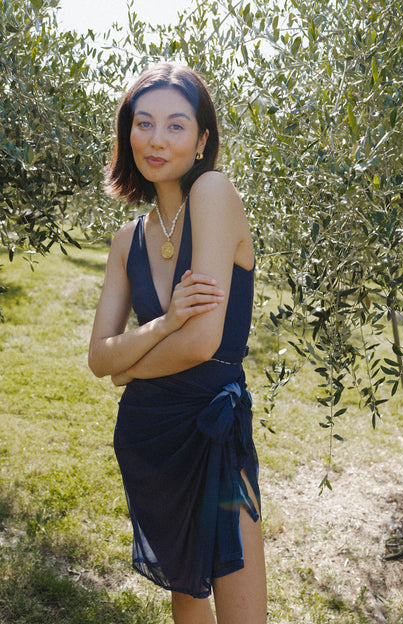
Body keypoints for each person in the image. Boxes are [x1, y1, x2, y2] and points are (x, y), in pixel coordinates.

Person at [88, 63, 267, 624]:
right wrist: (163, 326)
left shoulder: (213, 192)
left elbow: (204, 342)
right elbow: (99, 359)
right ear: (128, 133)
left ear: (202, 139)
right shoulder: (126, 240)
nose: (157, 139)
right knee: (187, 605)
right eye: (143, 123)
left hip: (212, 427)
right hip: (152, 438)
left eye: (175, 125)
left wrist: (130, 366)